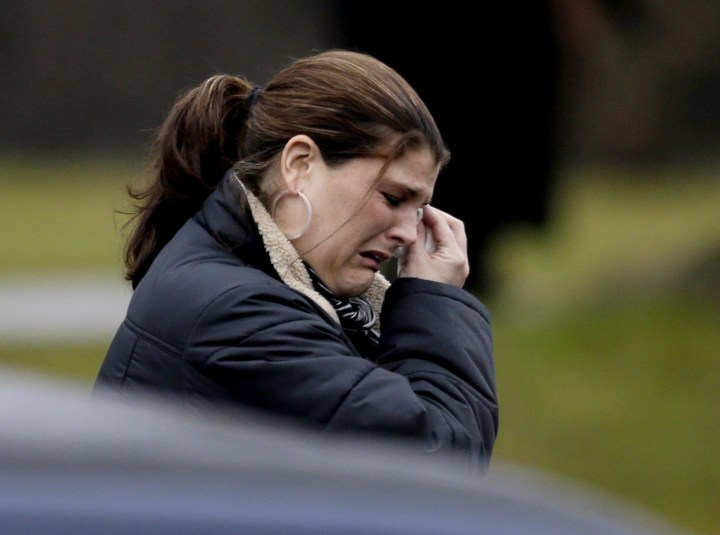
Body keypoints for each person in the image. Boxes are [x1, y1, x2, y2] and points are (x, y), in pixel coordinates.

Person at [93, 49, 498, 473]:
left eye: (418, 209)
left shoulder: (245, 279)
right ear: (299, 165)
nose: (407, 233)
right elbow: (439, 464)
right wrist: (435, 302)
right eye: (392, 198)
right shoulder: (241, 317)